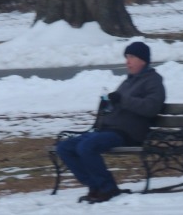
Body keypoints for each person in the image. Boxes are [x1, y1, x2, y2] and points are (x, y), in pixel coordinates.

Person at [56, 41, 166, 203]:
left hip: (128, 133)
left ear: (143, 60)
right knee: (64, 147)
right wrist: (107, 104)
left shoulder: (153, 81)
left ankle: (107, 188)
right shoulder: (129, 80)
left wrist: (123, 99)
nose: (127, 61)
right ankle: (95, 186)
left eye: (131, 57)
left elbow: (151, 108)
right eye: (127, 57)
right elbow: (120, 103)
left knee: (87, 147)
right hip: (108, 129)